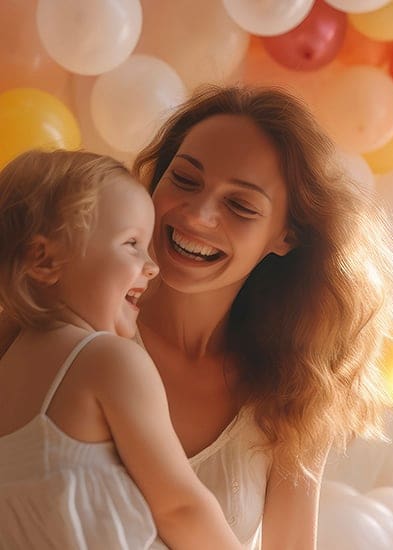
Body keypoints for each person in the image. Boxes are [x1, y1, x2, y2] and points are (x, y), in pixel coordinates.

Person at [131, 84, 393, 549]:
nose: (198, 215)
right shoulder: (67, 326)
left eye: (240, 205)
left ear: (286, 236)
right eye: (183, 179)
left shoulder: (291, 391)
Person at [0, 149, 243, 550]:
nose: (152, 266)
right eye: (131, 244)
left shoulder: (10, 362)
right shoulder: (107, 360)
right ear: (44, 261)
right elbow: (181, 508)